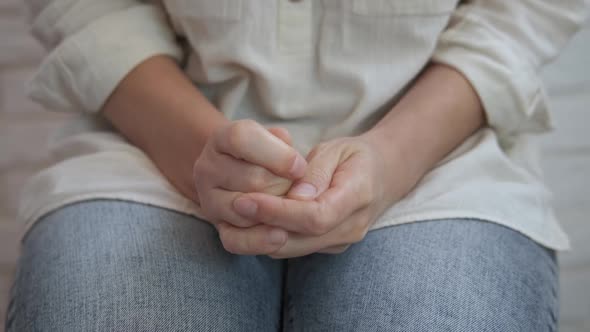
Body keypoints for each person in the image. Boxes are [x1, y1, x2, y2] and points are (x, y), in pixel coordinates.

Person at [6, 0, 586, 331]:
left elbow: (522, 13)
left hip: (442, 164)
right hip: (149, 154)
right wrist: (200, 153)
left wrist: (392, 158)